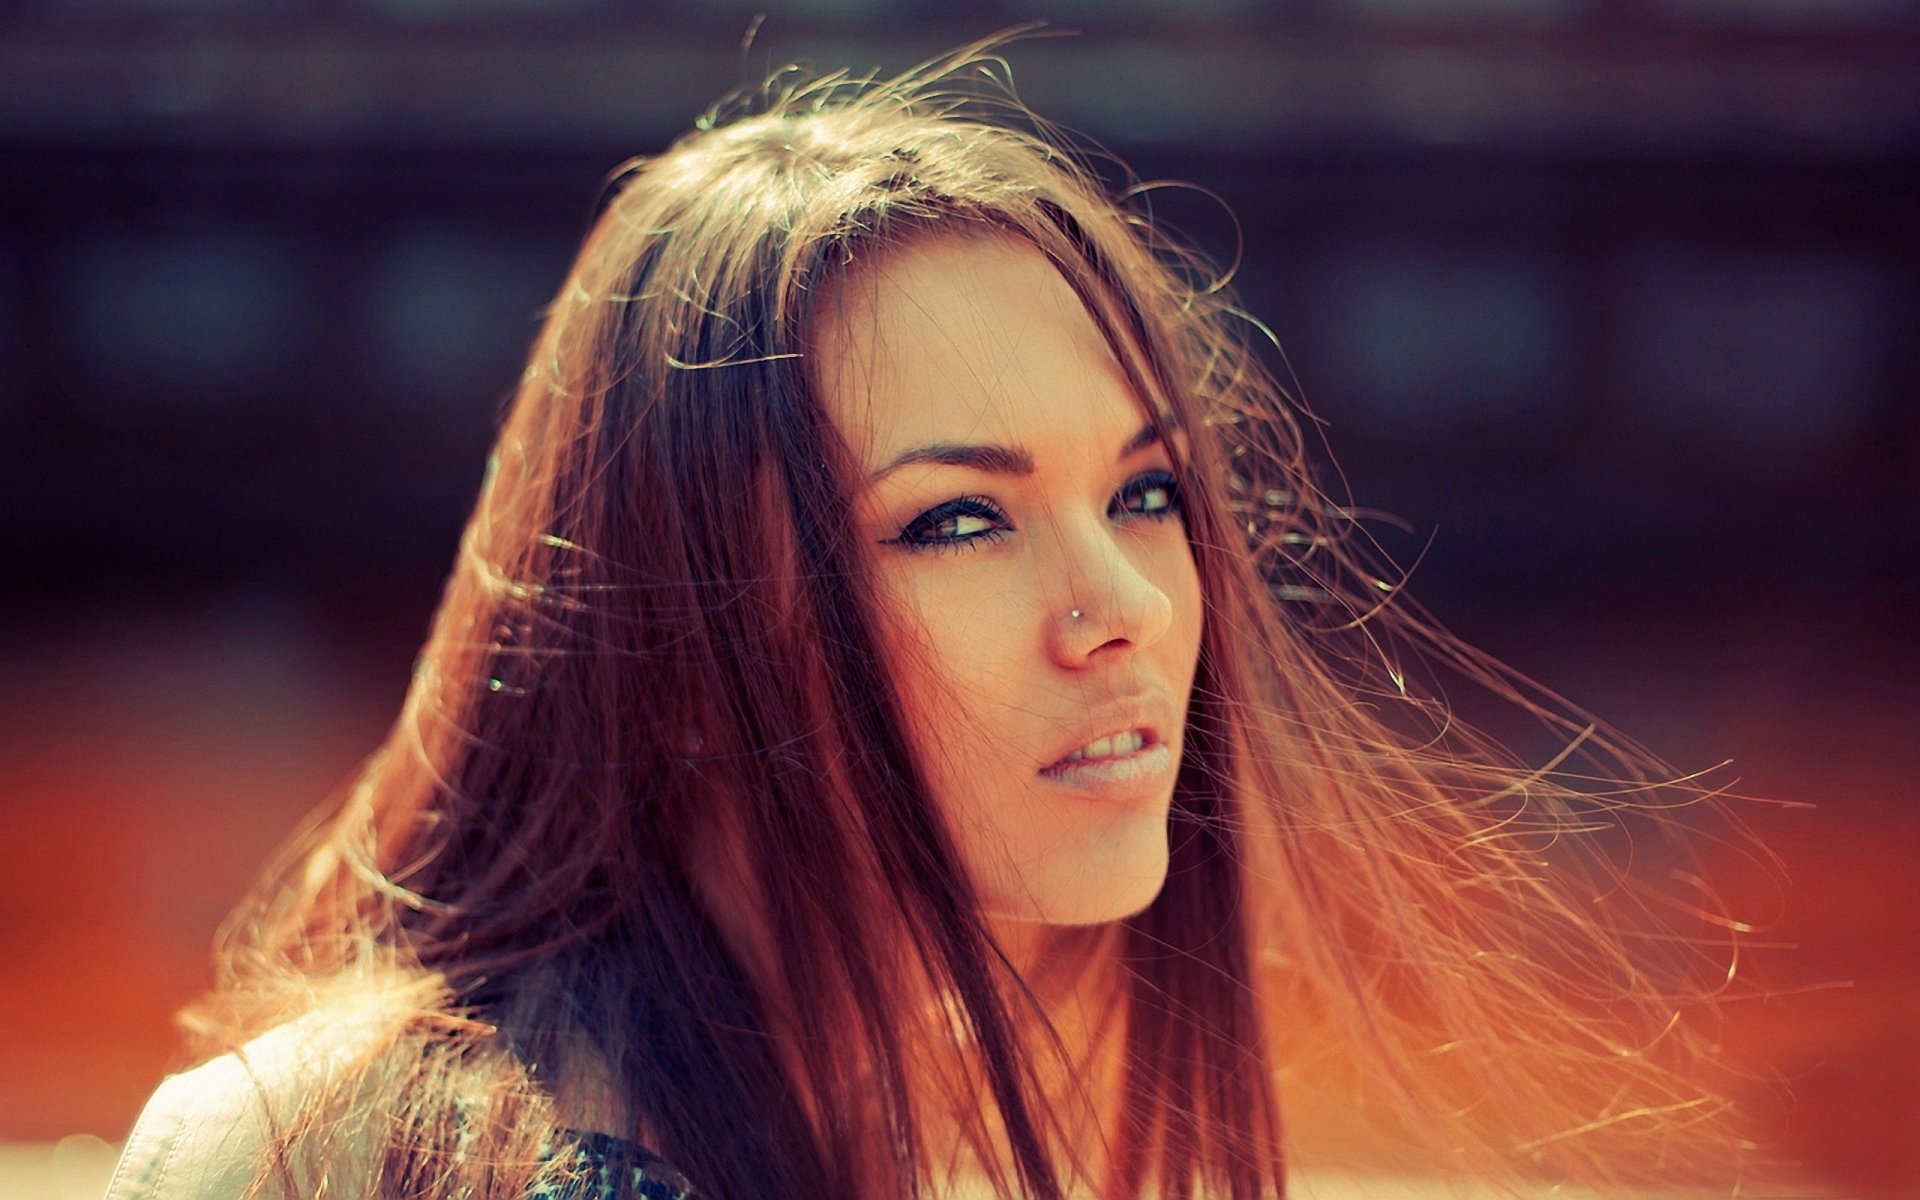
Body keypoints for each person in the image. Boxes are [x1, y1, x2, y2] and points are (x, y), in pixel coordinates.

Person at [102, 36, 1765, 1200]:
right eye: (957, 519)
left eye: (1147, 492)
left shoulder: (839, 1120)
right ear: (676, 644)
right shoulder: (336, 1154)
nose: (1120, 607)